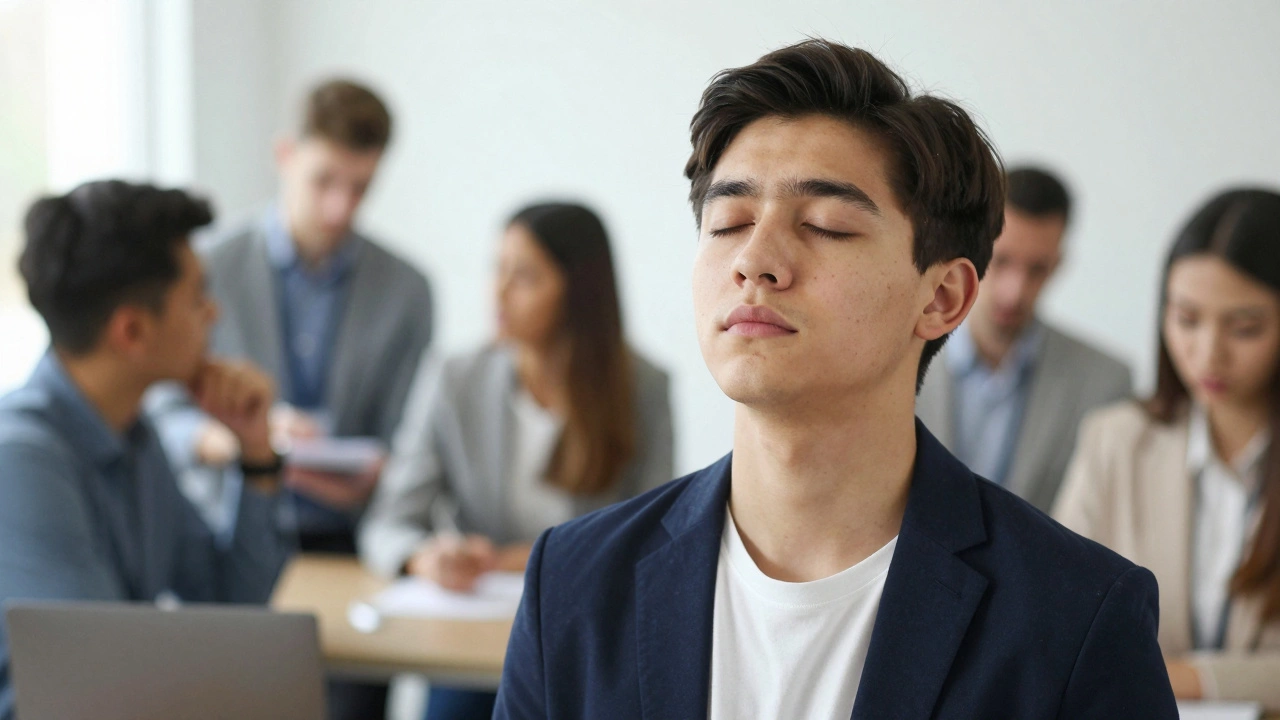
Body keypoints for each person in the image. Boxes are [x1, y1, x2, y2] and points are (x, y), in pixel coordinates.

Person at [493, 39, 1177, 719]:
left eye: (823, 225)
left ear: (941, 298)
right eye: (729, 221)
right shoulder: (575, 583)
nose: (755, 261)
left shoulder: (1075, 616)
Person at [359, 202, 673, 720]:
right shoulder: (453, 378)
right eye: (497, 269)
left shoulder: (642, 388)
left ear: (578, 291)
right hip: (471, 640)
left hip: (585, 638)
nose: (499, 292)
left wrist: (523, 560)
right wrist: (424, 558)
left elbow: (655, 540)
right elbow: (388, 522)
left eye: (524, 276)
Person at [0, 181, 289, 720]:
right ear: (131, 331)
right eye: (197, 297)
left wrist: (256, 454)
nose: (214, 315)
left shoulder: (134, 435)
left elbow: (232, 604)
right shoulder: (20, 460)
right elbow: (95, 683)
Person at [147, 78, 433, 553]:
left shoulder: (408, 291)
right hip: (221, 530)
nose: (339, 208)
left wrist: (374, 472)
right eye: (323, 181)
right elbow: (160, 415)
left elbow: (408, 439)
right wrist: (244, 440)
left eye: (360, 188)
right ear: (285, 156)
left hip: (348, 540)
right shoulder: (204, 267)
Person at [1054, 188, 1280, 712]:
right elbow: (1059, 619)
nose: (1208, 353)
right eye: (1186, 319)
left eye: (1244, 327)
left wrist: (1187, 678)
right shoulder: (1116, 440)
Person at [915, 166, 1131, 512]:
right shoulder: (896, 357)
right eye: (1001, 262)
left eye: (1037, 269)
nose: (1014, 292)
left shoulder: (1106, 383)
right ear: (971, 250)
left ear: (1058, 265)